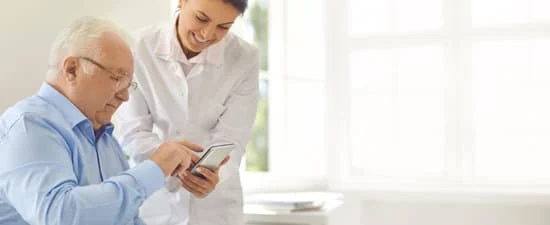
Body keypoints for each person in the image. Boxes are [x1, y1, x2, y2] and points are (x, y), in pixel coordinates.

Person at [0, 16, 202, 225]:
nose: (125, 96)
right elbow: (60, 216)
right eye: (117, 78)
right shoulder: (29, 126)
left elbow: (127, 219)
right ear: (72, 69)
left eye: (128, 84)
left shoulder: (106, 140)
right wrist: (156, 168)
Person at [115, 0, 260, 224]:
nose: (207, 34)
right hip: (155, 201)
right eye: (201, 18)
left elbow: (233, 137)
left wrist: (214, 176)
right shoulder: (137, 47)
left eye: (224, 26)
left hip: (216, 208)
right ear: (182, 1)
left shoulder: (244, 58)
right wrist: (172, 160)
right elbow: (133, 132)